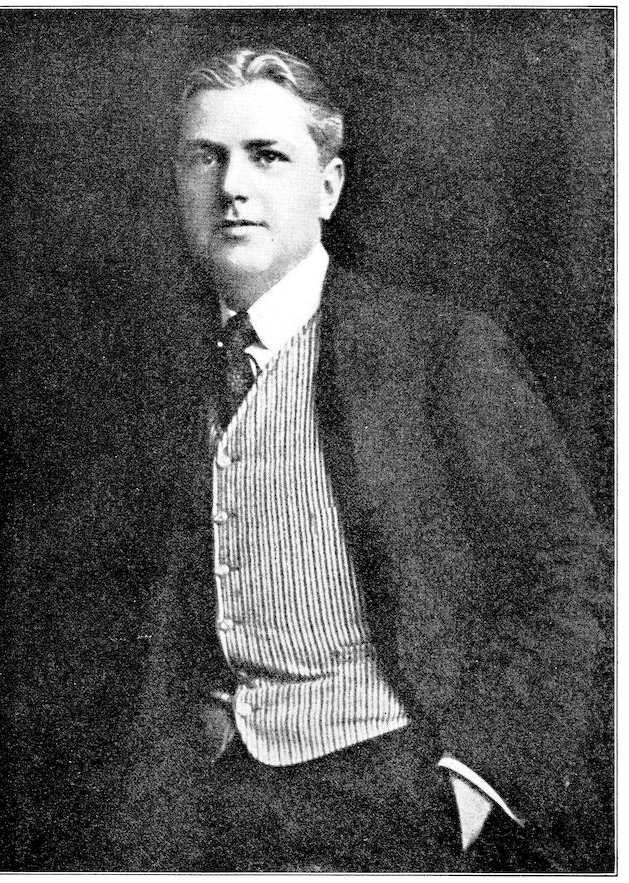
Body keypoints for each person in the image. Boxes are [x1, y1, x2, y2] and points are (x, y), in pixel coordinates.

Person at [117, 46, 612, 872]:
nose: (232, 185)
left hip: (394, 791)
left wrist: (473, 780)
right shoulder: (158, 375)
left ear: (329, 186)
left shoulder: (437, 350)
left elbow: (567, 576)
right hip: (216, 803)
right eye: (206, 157)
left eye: (267, 156)